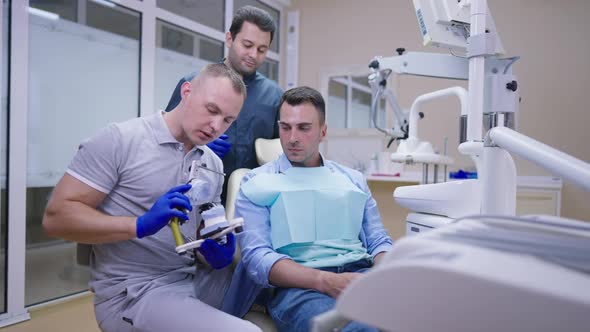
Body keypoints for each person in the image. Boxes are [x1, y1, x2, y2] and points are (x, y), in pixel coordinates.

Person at [42, 63, 261, 332]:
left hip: (191, 277)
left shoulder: (212, 163)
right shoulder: (121, 140)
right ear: (187, 91)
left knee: (265, 269)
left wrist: (215, 249)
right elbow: (56, 218)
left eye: (228, 120)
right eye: (211, 109)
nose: (216, 126)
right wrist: (139, 224)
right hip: (136, 291)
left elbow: (201, 231)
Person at [222, 86, 393, 331]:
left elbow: (378, 240)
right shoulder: (256, 182)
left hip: (360, 275)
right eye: (285, 127)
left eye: (304, 128)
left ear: (323, 131)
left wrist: (388, 275)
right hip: (299, 288)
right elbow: (258, 258)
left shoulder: (352, 180)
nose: (292, 138)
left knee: (423, 316)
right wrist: (327, 281)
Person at [164, 5, 283, 203]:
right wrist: (197, 143)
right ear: (229, 38)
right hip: (195, 197)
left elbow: (282, 153)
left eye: (262, 49)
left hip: (252, 202)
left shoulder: (274, 96)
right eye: (247, 45)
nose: (254, 54)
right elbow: (167, 139)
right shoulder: (195, 83)